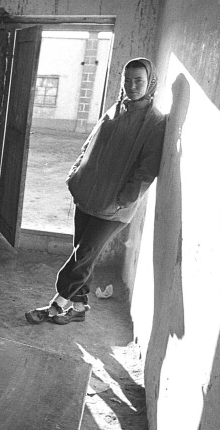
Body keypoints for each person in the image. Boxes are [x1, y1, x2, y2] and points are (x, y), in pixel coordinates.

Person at [25, 57, 167, 325]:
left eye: (139, 81)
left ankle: (57, 303)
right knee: (82, 251)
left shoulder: (155, 122)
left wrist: (122, 201)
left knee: (85, 254)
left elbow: (147, 171)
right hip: (88, 196)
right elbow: (90, 144)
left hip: (115, 207)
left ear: (150, 84)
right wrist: (75, 174)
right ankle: (79, 308)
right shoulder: (116, 109)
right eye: (127, 80)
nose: (132, 86)